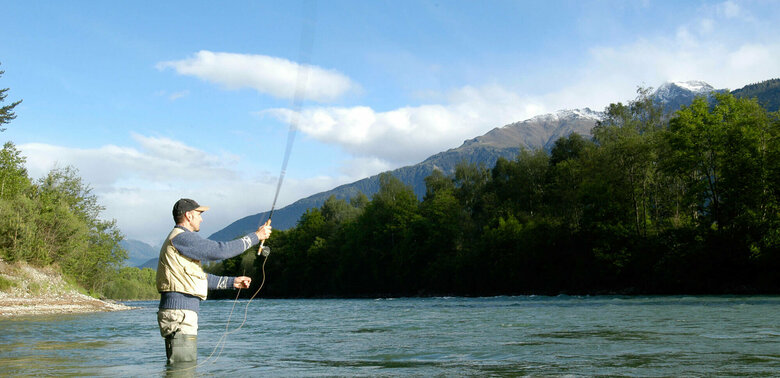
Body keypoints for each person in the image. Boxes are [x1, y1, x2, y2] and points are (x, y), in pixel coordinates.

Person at [156, 198, 272, 364]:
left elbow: (199, 278)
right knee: (183, 369)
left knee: (183, 367)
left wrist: (233, 282)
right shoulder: (182, 238)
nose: (201, 218)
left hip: (179, 313)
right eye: (199, 214)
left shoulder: (180, 241)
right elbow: (220, 250)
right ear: (188, 216)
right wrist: (256, 237)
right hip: (179, 314)